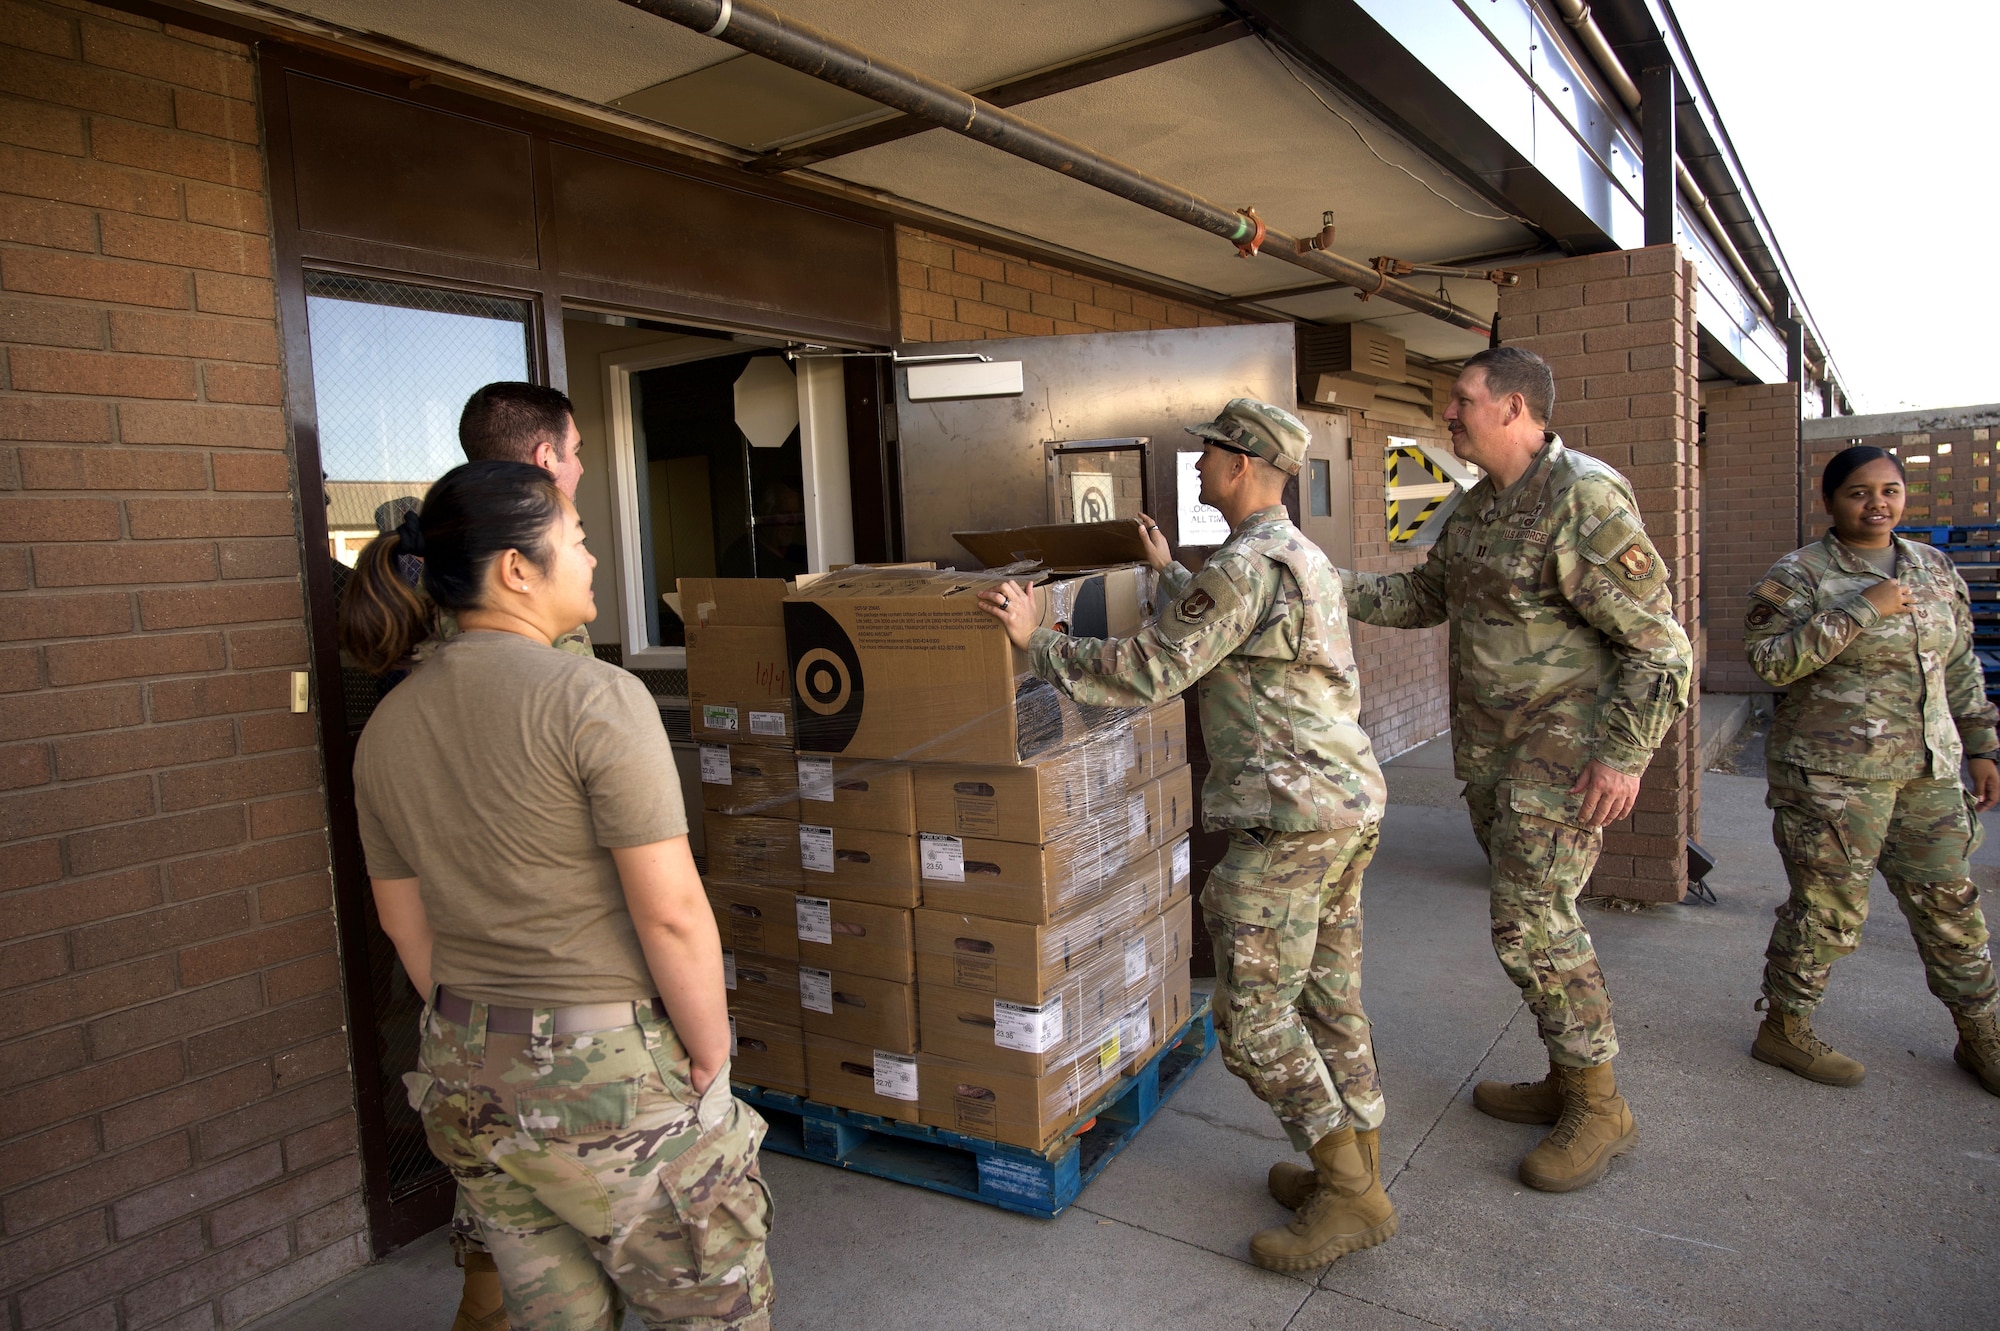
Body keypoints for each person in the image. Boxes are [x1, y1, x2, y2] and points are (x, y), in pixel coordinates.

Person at [339, 461, 773, 1330]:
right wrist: (709, 1055)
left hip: (469, 1071)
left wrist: (492, 1030)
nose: (594, 560)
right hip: (611, 1079)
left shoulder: (386, 722)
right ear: (516, 568)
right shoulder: (595, 696)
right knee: (710, 1313)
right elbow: (672, 910)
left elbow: (401, 919)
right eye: (577, 541)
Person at [979, 399, 1396, 1274]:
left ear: (1241, 464)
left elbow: (1148, 670)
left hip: (1289, 822)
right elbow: (1228, 636)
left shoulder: (1246, 566)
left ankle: (1350, 1191)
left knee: (1248, 1015)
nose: (1200, 466)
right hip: (1342, 808)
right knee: (1328, 995)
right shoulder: (1295, 555)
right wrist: (1169, 572)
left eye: (1208, 454)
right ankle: (1355, 1163)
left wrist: (1037, 641)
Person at [1342, 346, 1691, 1194]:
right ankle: (1569, 1079)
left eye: (1461, 400)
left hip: (1563, 753)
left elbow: (1662, 647)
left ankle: (1601, 1105)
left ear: (1513, 407)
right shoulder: (1478, 510)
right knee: (1533, 924)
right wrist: (1317, 580)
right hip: (1495, 756)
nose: (1448, 414)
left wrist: (1623, 754)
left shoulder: (1584, 498)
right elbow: (1424, 598)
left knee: (1530, 921)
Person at [1743, 444, 2000, 1094]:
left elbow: (1960, 662)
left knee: (1951, 904)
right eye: (1859, 491)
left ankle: (1981, 1034)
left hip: (1928, 773)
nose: (1876, 503)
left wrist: (1981, 745)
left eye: (1889, 489)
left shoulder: (1936, 569)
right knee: (1827, 909)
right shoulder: (1799, 574)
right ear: (1831, 501)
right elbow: (1771, 662)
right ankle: (1785, 1025)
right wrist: (1861, 609)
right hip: (1832, 779)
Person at [434, 383, 596, 1329]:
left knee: (493, 1204)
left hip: (465, 990)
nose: (580, 470)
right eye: (572, 452)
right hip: (553, 990)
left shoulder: (443, 612)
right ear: (544, 461)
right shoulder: (555, 669)